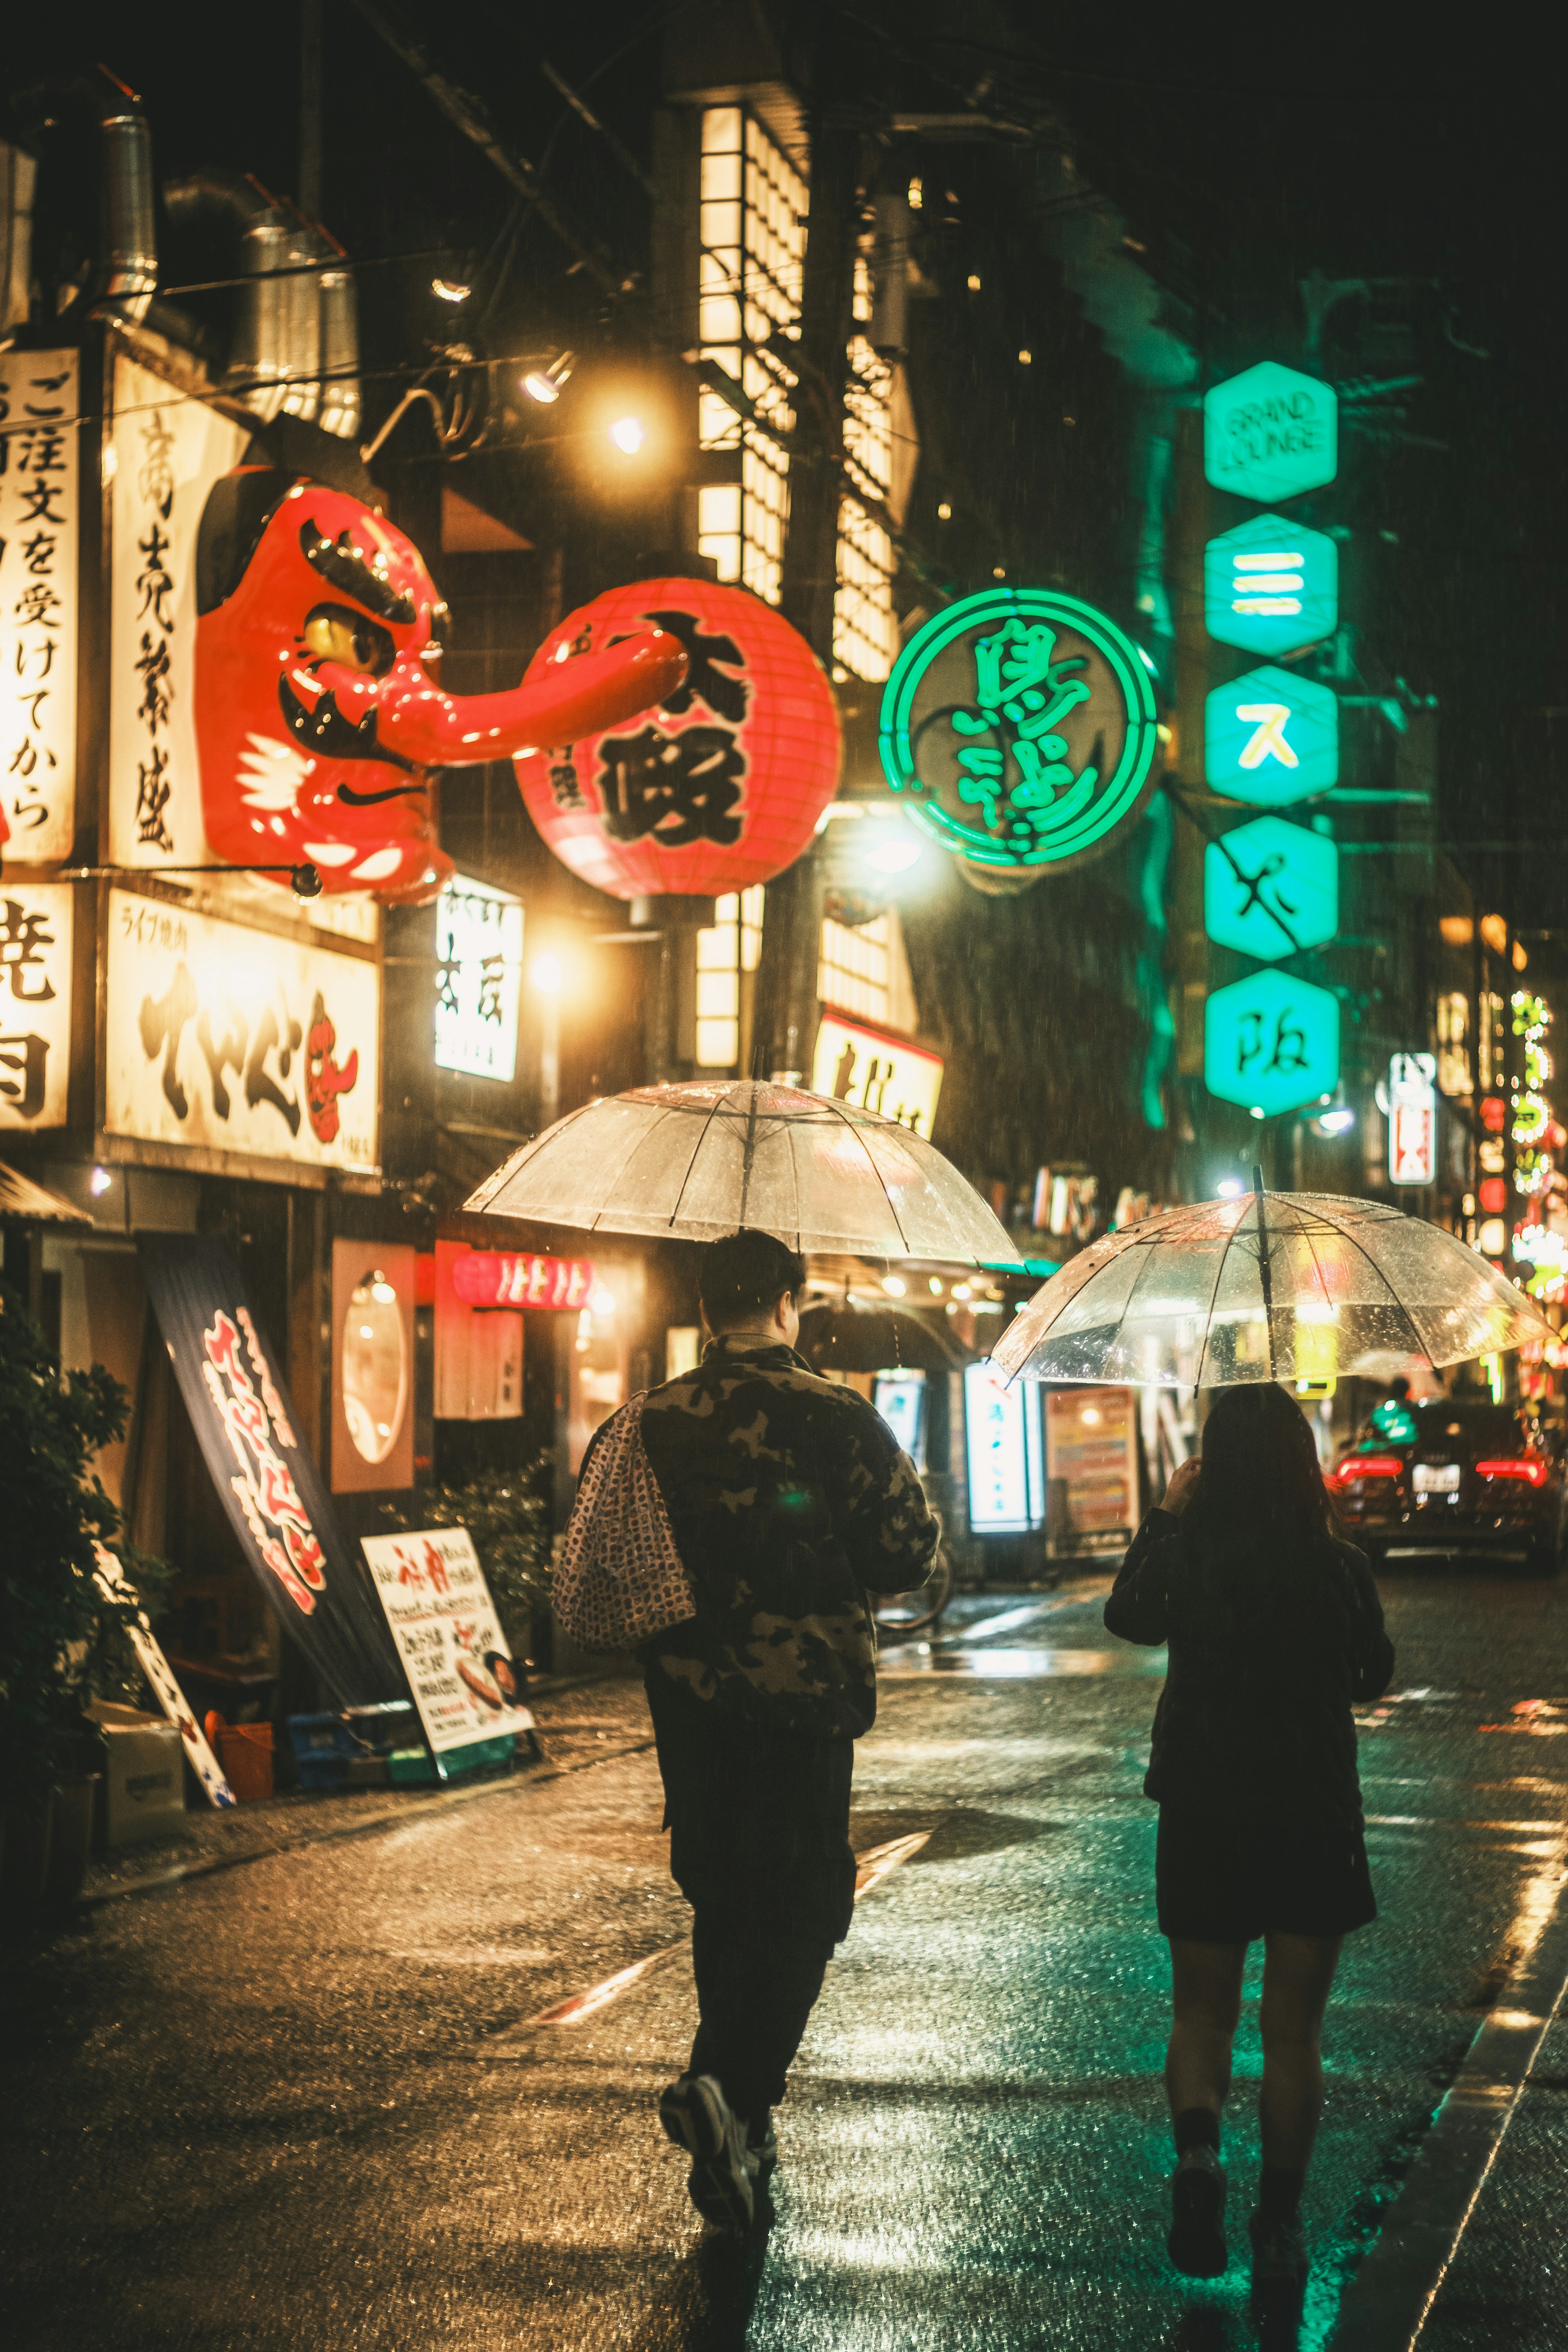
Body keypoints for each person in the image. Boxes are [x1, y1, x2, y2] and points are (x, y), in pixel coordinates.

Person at [622, 1228, 938, 2234]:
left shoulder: (650, 1420)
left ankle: (740, 2145)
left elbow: (615, 1562)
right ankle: (732, 2087)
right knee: (804, 1901)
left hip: (692, 1706)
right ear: (790, 1305)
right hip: (805, 1704)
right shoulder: (835, 1415)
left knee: (724, 1896)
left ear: (707, 1308)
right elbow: (903, 1555)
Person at [1105, 1384, 1394, 2300]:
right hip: (1311, 1815)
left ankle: (1198, 2156)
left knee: (1202, 2014)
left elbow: (1128, 1615)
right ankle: (1278, 2222)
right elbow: (1370, 1676)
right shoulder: (1336, 1565)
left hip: (1204, 1809)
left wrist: (1163, 1514)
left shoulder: (1187, 1558)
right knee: (1292, 2035)